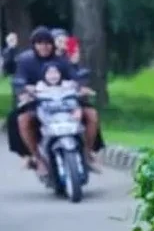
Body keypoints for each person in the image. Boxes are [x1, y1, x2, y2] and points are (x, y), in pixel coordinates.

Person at [10, 26, 100, 177]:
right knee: (22, 119)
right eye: (39, 43)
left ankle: (87, 153)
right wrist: (24, 91)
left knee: (91, 114)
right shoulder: (26, 60)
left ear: (52, 44)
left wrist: (81, 86)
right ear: (34, 45)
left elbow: (75, 74)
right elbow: (19, 79)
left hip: (66, 101)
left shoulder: (62, 59)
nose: (44, 46)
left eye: (47, 43)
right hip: (38, 103)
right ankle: (36, 158)